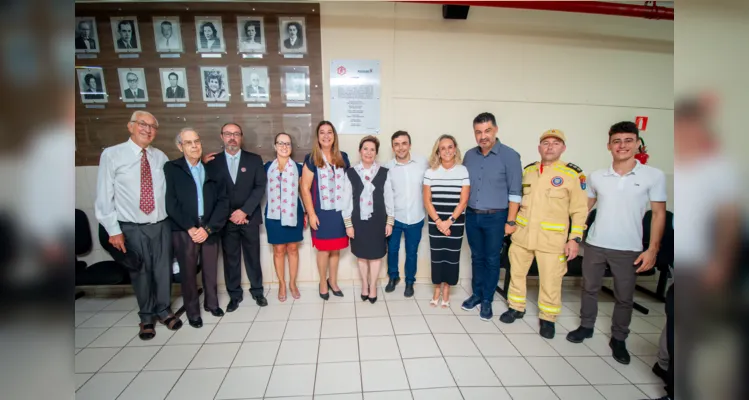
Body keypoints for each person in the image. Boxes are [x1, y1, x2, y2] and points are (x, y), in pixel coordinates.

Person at [566, 121, 667, 366]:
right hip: (595, 244)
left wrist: (652, 249)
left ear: (636, 143)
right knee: (589, 288)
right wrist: (574, 234)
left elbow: (659, 215)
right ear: (609, 145)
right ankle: (586, 326)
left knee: (624, 297)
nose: (622, 146)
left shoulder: (652, 176)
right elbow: (585, 208)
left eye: (628, 140)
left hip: (628, 248)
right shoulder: (597, 176)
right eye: (617, 141)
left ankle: (619, 338)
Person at [95, 111, 182, 340]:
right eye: (143, 124)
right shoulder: (112, 155)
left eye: (153, 126)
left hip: (161, 224)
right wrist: (113, 230)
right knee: (140, 271)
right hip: (131, 226)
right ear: (130, 126)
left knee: (163, 271)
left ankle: (164, 310)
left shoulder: (159, 156)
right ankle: (146, 317)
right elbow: (104, 196)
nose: (148, 129)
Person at [498, 129, 588, 339]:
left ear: (563, 148)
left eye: (555, 143)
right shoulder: (529, 171)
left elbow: (580, 210)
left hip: (552, 239)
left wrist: (574, 239)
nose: (549, 147)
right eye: (545, 143)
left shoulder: (572, 175)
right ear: (539, 147)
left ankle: (548, 318)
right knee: (517, 274)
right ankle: (516, 307)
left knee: (550, 279)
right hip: (522, 235)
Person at [164, 128, 229, 328]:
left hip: (209, 227)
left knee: (210, 269)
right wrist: (190, 228)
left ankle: (212, 303)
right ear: (180, 146)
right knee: (188, 272)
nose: (194, 146)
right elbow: (171, 203)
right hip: (185, 229)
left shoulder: (212, 169)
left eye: (197, 141)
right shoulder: (172, 168)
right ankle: (193, 312)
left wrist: (208, 228)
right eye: (189, 142)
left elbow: (223, 202)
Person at [461, 112, 522, 321]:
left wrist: (511, 221)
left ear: (495, 130)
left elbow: (515, 192)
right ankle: (476, 295)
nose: (483, 136)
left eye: (487, 131)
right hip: (472, 216)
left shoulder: (510, 156)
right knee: (476, 257)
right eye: (478, 132)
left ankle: (487, 299)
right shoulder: (469, 155)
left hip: (496, 217)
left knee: (492, 259)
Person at [204, 123, 268, 309]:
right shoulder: (212, 162)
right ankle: (235, 295)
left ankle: (257, 291)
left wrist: (244, 211)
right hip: (225, 220)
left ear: (241, 137)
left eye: (236, 134)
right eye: (228, 134)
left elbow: (259, 187)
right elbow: (211, 191)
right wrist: (230, 215)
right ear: (222, 136)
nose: (232, 137)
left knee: (253, 257)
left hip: (249, 217)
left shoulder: (254, 160)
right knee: (230, 258)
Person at [300, 121, 350, 300]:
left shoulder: (343, 157)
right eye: (322, 132)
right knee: (323, 250)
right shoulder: (312, 158)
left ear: (334, 136)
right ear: (317, 137)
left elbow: (349, 186)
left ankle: (333, 281)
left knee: (336, 249)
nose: (326, 136)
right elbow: (304, 187)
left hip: (339, 212)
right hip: (321, 213)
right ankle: (322, 282)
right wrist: (311, 213)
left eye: (330, 132)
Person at [343, 136, 394, 304]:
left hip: (378, 220)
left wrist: (389, 222)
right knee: (362, 256)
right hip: (358, 221)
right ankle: (364, 285)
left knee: (376, 256)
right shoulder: (350, 172)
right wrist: (348, 224)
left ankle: (373, 287)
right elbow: (347, 200)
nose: (369, 152)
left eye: (372, 149)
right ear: (360, 151)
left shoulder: (384, 172)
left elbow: (389, 199)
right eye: (365, 148)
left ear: (376, 153)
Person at [423, 135, 470, 307]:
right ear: (438, 151)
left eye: (450, 147)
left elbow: (463, 200)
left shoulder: (463, 171)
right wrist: (438, 221)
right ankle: (437, 288)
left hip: (455, 222)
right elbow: (427, 200)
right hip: (435, 221)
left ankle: (447, 289)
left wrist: (449, 221)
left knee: (451, 257)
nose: (447, 151)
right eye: (443, 148)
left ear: (455, 149)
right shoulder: (430, 172)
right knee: (437, 256)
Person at [383, 130, 428, 297]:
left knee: (412, 252)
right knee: (392, 250)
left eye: (404, 143)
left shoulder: (422, 162)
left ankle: (410, 281)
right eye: (396, 144)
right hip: (395, 217)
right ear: (393, 147)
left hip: (416, 216)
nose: (400, 147)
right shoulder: (388, 167)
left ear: (409, 145)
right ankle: (393, 277)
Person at [264, 132, 306, 302]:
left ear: (291, 147)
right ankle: (282, 284)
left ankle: (293, 284)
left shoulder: (299, 167)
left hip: (293, 212)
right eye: (280, 143)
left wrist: (307, 212)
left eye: (287, 144)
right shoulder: (267, 167)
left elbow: (303, 192)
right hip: (274, 214)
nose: (284, 146)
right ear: (275, 146)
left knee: (293, 249)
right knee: (279, 250)